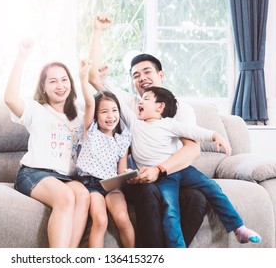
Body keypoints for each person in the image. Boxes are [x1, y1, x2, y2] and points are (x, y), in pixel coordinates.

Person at [88, 14, 208, 247]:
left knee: (197, 198)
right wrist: (98, 32)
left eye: (147, 72)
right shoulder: (131, 105)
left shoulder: (182, 109)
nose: (142, 78)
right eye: (136, 76)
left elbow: (193, 150)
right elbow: (93, 77)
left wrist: (159, 170)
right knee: (148, 192)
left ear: (160, 75)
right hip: (141, 182)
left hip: (172, 176)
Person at [122, 86, 262, 247]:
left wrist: (214, 135)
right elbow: (118, 100)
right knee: (171, 213)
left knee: (212, 187)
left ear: (160, 107)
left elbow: (191, 131)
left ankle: (239, 228)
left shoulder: (170, 124)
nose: (140, 101)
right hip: (163, 177)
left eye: (146, 99)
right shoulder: (134, 123)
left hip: (181, 170)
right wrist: (101, 80)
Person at [4, 39, 90, 248]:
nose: (60, 86)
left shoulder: (78, 116)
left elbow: (96, 106)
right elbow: (9, 98)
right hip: (34, 173)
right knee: (66, 198)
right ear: (43, 86)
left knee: (83, 195)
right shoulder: (36, 109)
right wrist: (21, 56)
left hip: (65, 177)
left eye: (64, 80)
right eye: (52, 81)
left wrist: (86, 77)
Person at [75, 60, 135, 248]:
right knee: (100, 221)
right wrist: (84, 79)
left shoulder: (122, 139)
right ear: (96, 116)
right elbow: (89, 103)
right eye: (104, 112)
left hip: (112, 185)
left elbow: (122, 169)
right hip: (90, 185)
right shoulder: (89, 131)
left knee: (123, 219)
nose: (111, 116)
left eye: (114, 111)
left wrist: (128, 175)